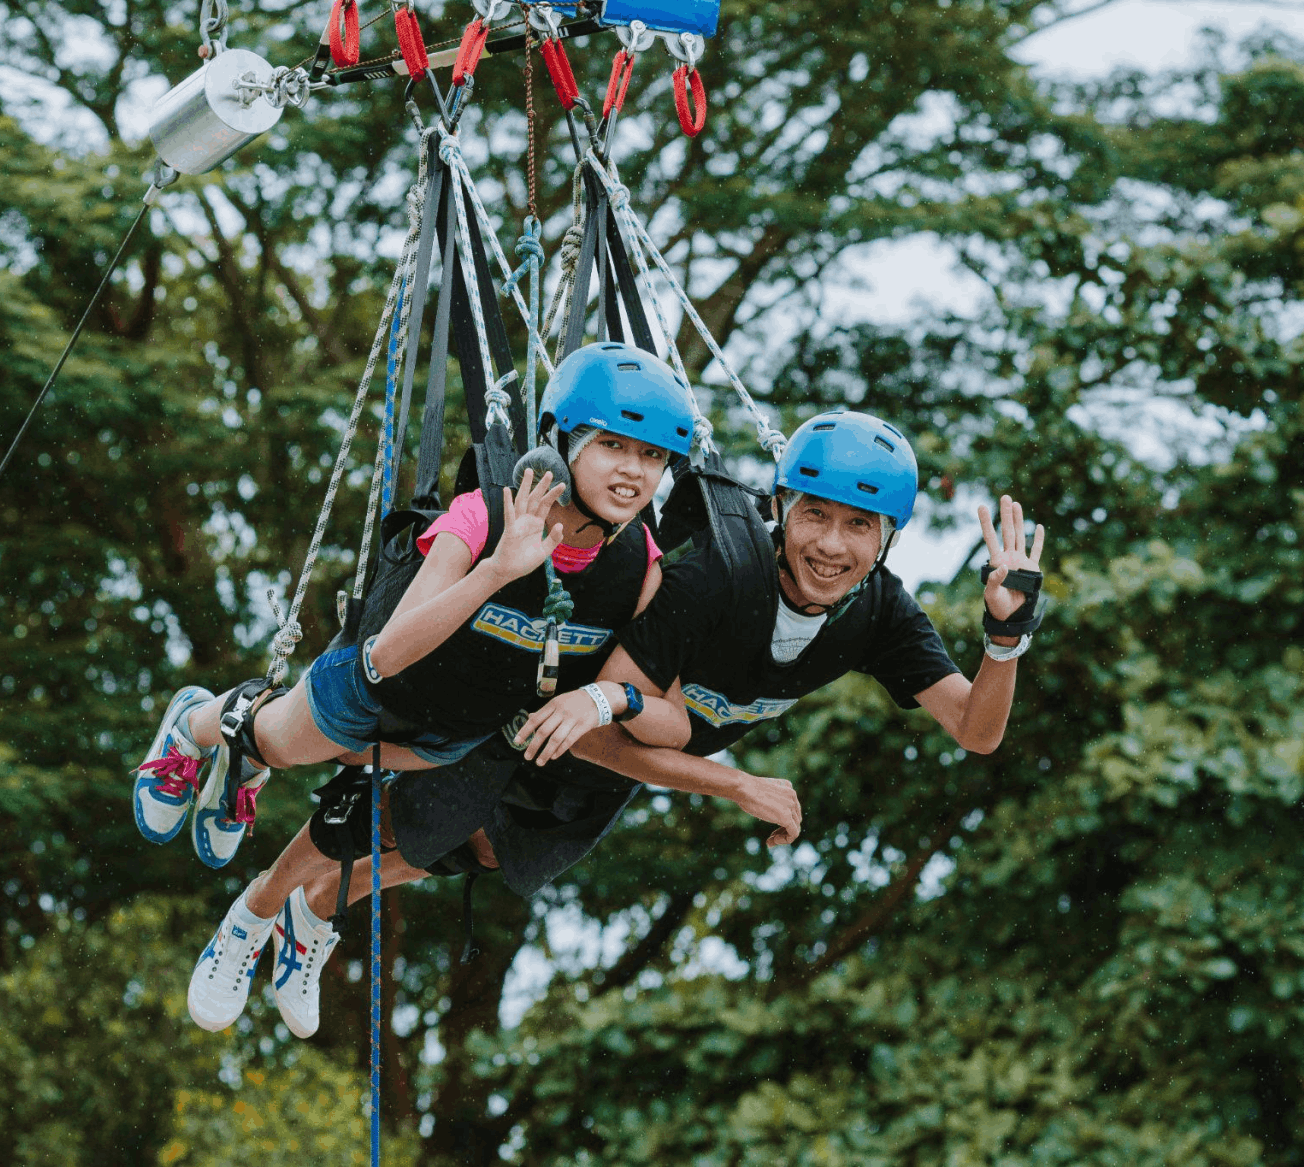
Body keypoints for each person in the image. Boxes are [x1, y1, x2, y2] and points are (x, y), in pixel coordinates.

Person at [239, 408, 1048, 1040]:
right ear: (780, 508)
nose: (830, 545)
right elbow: (597, 725)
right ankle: (261, 903)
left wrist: (1004, 637)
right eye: (815, 516)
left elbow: (975, 730)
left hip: (616, 760)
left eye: (858, 527)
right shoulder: (712, 579)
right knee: (385, 820)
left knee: (477, 853)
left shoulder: (878, 614)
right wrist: (733, 783)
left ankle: (314, 912)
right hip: (552, 713)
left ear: (888, 539)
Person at [130, 342, 703, 1030]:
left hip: (449, 734)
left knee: (430, 834)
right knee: (286, 745)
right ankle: (194, 726)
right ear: (562, 442)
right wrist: (496, 569)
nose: (634, 471)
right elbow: (389, 652)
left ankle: (257, 887)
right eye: (614, 445)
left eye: (652, 456)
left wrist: (606, 699)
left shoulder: (639, 562)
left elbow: (667, 708)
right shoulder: (480, 514)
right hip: (376, 692)